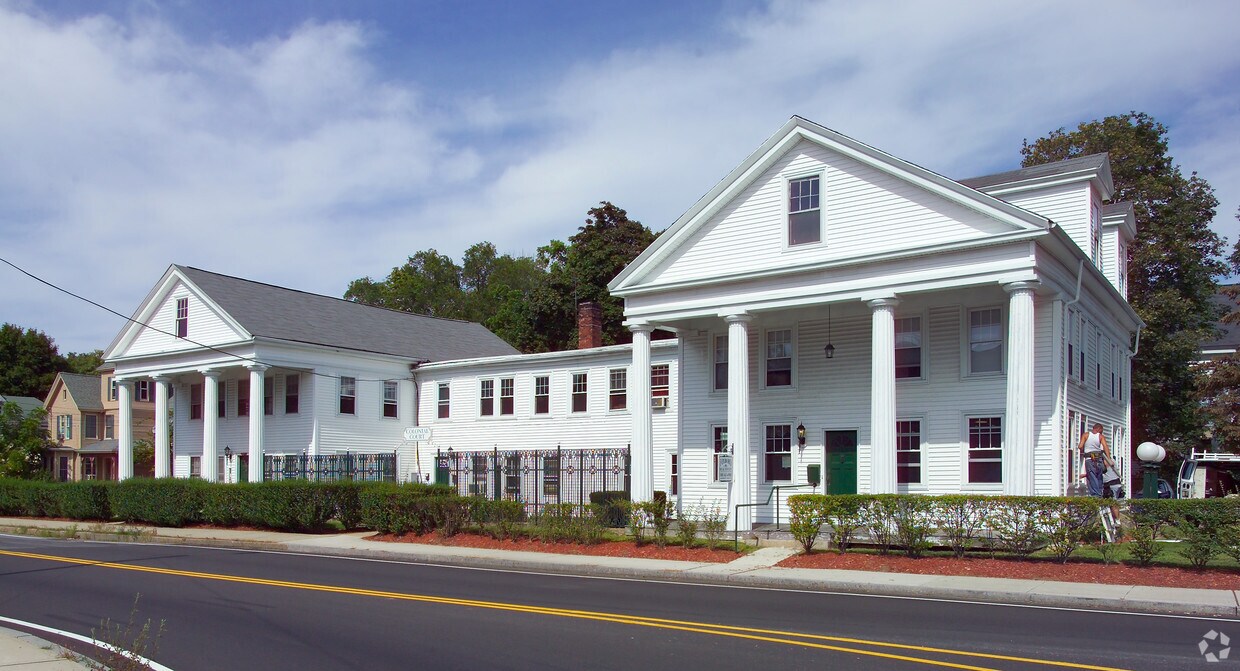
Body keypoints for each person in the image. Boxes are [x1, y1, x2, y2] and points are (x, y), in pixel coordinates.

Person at [1077, 423, 1110, 497]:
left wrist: (1084, 449)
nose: (1101, 432)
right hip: (1099, 459)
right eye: (1101, 431)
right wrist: (1109, 459)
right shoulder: (1101, 436)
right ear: (1098, 429)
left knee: (1091, 477)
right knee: (1099, 476)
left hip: (1090, 459)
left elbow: (1080, 446)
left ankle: (1097, 496)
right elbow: (1106, 447)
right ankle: (1099, 493)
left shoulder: (1086, 435)